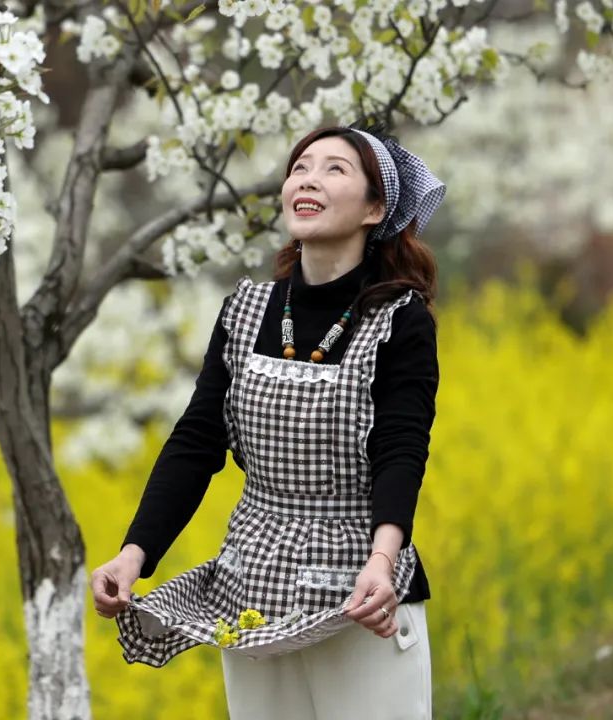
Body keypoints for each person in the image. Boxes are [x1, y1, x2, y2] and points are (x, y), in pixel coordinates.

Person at [90, 120, 445, 719]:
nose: (309, 179)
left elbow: (401, 448)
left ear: (374, 207)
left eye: (335, 169)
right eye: (300, 167)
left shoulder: (399, 320)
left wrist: (382, 562)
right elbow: (197, 440)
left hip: (360, 588)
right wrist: (135, 553)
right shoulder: (248, 308)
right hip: (255, 580)